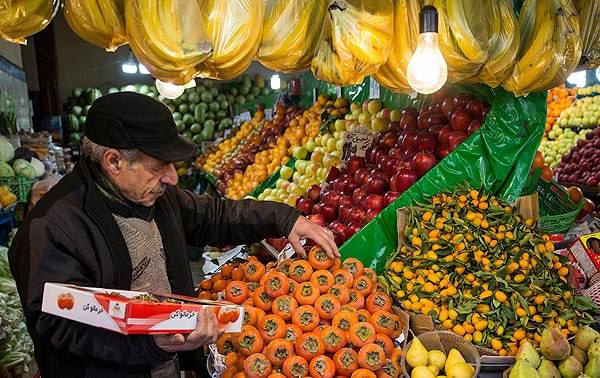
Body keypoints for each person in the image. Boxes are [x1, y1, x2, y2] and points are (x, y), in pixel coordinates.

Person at [9, 92, 339, 378]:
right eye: (160, 165)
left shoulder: (156, 196)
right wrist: (148, 344)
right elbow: (58, 326)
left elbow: (216, 216)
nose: (172, 178)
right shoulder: (52, 227)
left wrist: (286, 219)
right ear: (114, 161)